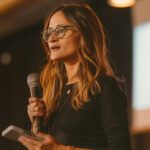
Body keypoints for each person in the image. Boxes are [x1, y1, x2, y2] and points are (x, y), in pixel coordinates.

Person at [18, 2, 132, 150]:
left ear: (84, 32)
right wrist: (36, 123)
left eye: (60, 31)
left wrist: (60, 149)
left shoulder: (104, 86)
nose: (51, 38)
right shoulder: (55, 91)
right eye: (48, 32)